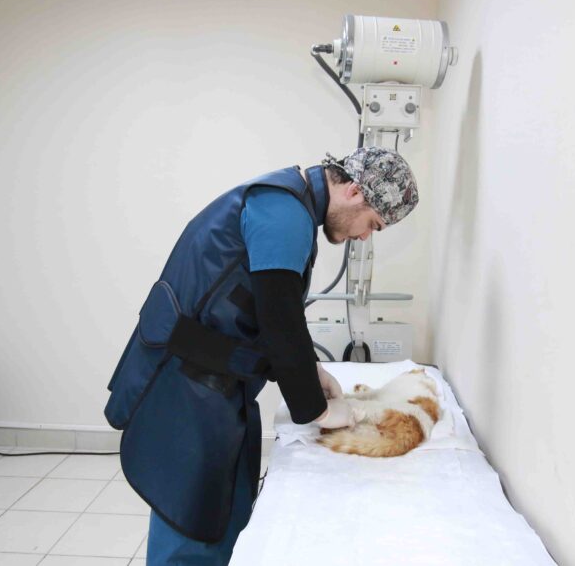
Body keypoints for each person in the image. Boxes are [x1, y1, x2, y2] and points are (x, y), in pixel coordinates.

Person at [103, 146, 419, 565]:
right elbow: (279, 320)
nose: (364, 237)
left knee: (226, 513)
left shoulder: (287, 205)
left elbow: (267, 309)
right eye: (373, 224)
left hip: (216, 386)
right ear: (355, 191)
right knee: (192, 521)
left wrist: (311, 369)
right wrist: (319, 410)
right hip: (187, 389)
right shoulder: (283, 214)